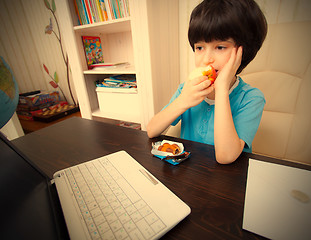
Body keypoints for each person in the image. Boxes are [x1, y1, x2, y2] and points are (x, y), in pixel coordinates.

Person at [147, 0, 267, 164]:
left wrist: (222, 89)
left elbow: (225, 156)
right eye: (200, 48)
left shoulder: (251, 98)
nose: (206, 59)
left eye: (220, 47)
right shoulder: (187, 89)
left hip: (228, 180)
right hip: (189, 173)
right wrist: (183, 101)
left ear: (243, 51)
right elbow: (152, 130)